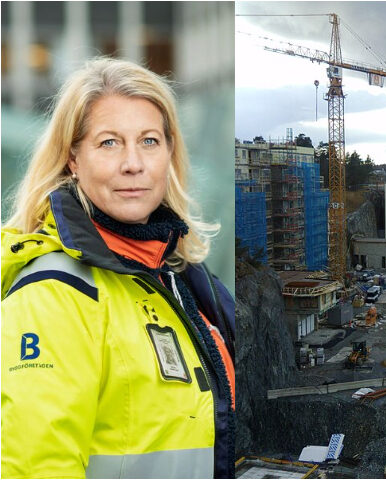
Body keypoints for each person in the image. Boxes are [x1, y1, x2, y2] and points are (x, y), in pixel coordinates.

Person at [1, 58, 235, 478]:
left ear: (169, 152)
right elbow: (37, 466)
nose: (133, 163)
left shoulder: (183, 280)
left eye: (148, 141)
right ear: (73, 158)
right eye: (109, 143)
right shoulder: (54, 292)